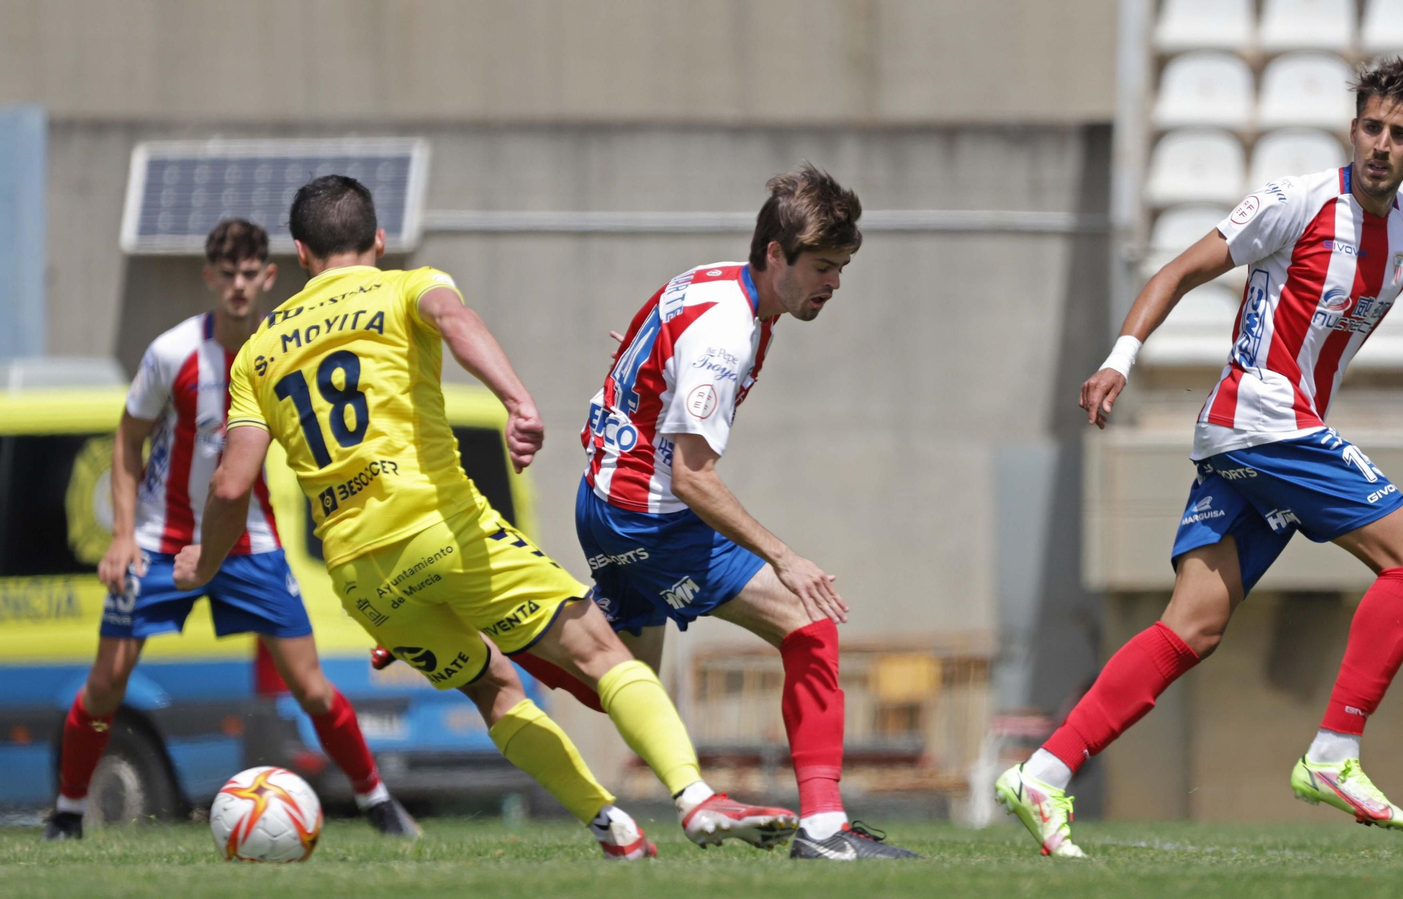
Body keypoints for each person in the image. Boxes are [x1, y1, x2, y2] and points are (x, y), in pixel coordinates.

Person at [995, 57, 1403, 857]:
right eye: (1371, 127)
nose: (1381, 144)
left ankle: (1046, 772)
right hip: (1263, 420)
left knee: (1193, 626)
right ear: (1354, 130)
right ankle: (1335, 750)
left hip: (1253, 441)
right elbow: (1179, 268)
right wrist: (1119, 360)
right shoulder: (1298, 200)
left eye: (1399, 134)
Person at [174, 176, 795, 860]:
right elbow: (455, 320)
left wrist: (204, 562)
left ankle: (606, 824)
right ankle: (695, 797)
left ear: (298, 254)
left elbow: (232, 485)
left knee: (491, 685)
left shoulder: (258, 352)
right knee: (599, 651)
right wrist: (516, 399)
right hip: (442, 528)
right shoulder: (405, 286)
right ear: (379, 240)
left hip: (358, 574)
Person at [520, 164, 917, 860]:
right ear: (775, 255)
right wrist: (784, 557)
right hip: (652, 515)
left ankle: (480, 631)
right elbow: (694, 478)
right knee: (810, 621)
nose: (834, 284)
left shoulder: (713, 281)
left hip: (606, 501)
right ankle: (824, 829)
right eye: (823, 267)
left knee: (617, 677)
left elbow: (647, 340)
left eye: (842, 268)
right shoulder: (727, 334)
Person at [45, 220, 417, 840]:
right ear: (210, 278)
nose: (240, 286)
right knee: (107, 684)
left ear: (269, 277)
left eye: (251, 273)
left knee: (313, 688)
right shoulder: (172, 352)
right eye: (228, 274)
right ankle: (67, 812)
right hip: (162, 542)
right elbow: (128, 439)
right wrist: (121, 535)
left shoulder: (282, 347)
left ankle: (379, 804)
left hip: (251, 544)